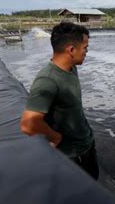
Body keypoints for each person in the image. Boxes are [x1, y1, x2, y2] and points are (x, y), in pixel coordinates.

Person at [20, 22, 99, 180]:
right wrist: (55, 137)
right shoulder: (47, 79)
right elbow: (28, 124)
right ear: (71, 50)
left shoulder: (71, 68)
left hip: (85, 147)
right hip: (72, 157)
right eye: (85, 48)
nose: (87, 52)